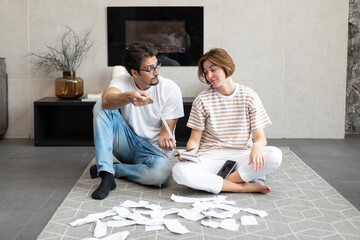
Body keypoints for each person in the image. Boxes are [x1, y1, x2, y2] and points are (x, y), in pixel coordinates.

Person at [172, 48, 282, 194]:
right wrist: (189, 154)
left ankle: (218, 182)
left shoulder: (249, 96)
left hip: (241, 155)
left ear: (226, 66)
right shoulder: (202, 99)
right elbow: (194, 140)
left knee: (275, 155)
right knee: (178, 171)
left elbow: (260, 138)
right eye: (206, 72)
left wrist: (257, 146)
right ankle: (240, 186)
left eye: (213, 69)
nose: (209, 76)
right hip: (210, 157)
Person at [91, 42, 184, 200]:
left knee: (161, 173)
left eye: (157, 65)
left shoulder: (170, 88)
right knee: (101, 105)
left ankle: (114, 169)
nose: (156, 72)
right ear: (134, 73)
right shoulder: (122, 82)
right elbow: (107, 100)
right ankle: (107, 177)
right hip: (128, 143)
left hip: (154, 153)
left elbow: (166, 130)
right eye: (150, 69)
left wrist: (165, 139)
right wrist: (129, 97)